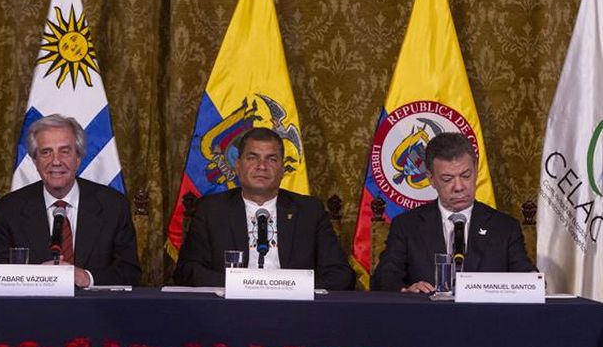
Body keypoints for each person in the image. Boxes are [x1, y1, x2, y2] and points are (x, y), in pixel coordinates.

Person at [173, 127, 354, 289]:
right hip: (229, 309)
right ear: (238, 166)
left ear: (283, 169)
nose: (261, 166)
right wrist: (241, 285)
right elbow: (186, 271)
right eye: (252, 158)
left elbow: (341, 274)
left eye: (272, 159)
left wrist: (294, 287)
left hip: (295, 310)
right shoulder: (212, 210)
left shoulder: (309, 211)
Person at [0, 114, 141, 287]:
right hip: (34, 310)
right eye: (46, 152)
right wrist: (38, 277)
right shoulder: (11, 208)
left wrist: (86, 277)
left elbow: (130, 273)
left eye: (65, 151)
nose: (56, 161)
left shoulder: (113, 206)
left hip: (95, 311)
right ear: (35, 161)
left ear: (78, 158)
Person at [371, 132, 536, 292]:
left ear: (476, 170)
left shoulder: (504, 227)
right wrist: (406, 290)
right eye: (447, 179)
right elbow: (384, 276)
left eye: (465, 175)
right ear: (431, 179)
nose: (458, 187)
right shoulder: (407, 225)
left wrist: (534, 281)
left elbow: (526, 276)